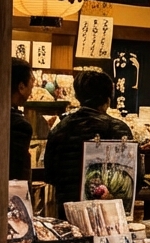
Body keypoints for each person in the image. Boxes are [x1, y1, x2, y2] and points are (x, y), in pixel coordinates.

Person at [45, 70, 132, 203]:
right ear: (108, 99)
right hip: (108, 211)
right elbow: (131, 178)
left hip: (68, 209)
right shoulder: (119, 129)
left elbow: (50, 174)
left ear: (77, 96)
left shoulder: (60, 128)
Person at [10, 58, 35, 182]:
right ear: (21, 86)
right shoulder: (19, 126)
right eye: (31, 82)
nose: (32, 90)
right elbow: (17, 173)